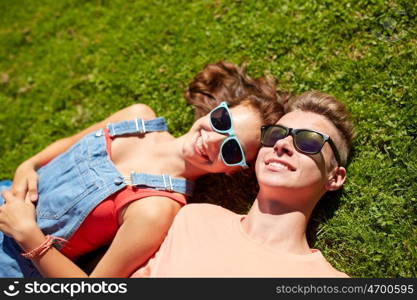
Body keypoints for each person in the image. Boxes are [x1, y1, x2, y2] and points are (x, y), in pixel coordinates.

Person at [0, 61, 284, 278]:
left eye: (231, 149)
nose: (212, 140)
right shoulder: (137, 117)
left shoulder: (157, 209)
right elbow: (68, 143)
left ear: (233, 170)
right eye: (222, 121)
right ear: (216, 109)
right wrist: (30, 164)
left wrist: (29, 235)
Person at [127, 90, 354, 277]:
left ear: (334, 177)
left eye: (307, 140)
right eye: (275, 134)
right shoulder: (195, 218)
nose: (282, 144)